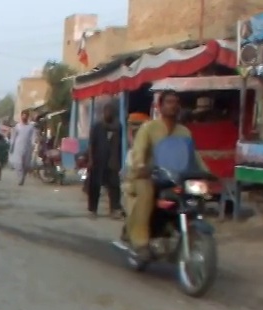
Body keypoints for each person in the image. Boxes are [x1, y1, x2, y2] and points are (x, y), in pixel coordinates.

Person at [124, 91, 204, 259]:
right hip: (147, 176)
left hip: (174, 178)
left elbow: (194, 156)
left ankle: (185, 234)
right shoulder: (148, 128)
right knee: (146, 193)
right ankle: (141, 242)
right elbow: (139, 152)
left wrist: (207, 173)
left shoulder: (185, 132)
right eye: (168, 102)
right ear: (160, 106)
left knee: (195, 195)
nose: (173, 105)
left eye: (176, 102)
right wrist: (141, 167)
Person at [86, 102, 124, 218]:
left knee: (114, 185)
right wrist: (91, 160)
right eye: (107, 111)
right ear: (103, 112)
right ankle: (93, 210)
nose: (108, 114)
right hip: (98, 160)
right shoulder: (97, 126)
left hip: (112, 160)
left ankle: (114, 209)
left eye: (111, 111)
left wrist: (119, 161)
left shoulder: (118, 126)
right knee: (95, 185)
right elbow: (91, 144)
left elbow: (120, 145)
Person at [8, 110, 37, 185]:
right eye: (23, 115)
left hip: (28, 147)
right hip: (18, 147)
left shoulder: (31, 127)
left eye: (26, 115)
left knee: (26, 164)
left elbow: (33, 136)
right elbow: (13, 137)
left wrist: (33, 144)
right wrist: (12, 146)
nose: (24, 117)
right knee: (18, 163)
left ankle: (23, 177)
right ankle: (20, 178)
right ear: (21, 116)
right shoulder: (17, 126)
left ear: (27, 117)